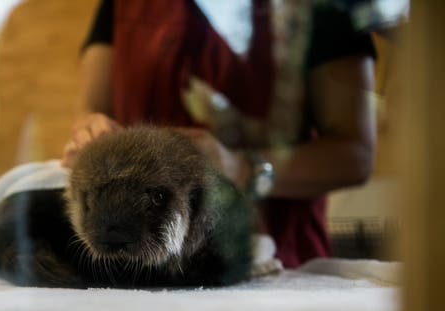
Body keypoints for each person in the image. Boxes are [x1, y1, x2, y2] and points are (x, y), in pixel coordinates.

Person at [62, 0, 377, 268]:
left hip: (279, 260)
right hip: (134, 260)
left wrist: (242, 168)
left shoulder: (328, 6)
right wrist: (90, 131)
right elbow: (91, 108)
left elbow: (355, 155)